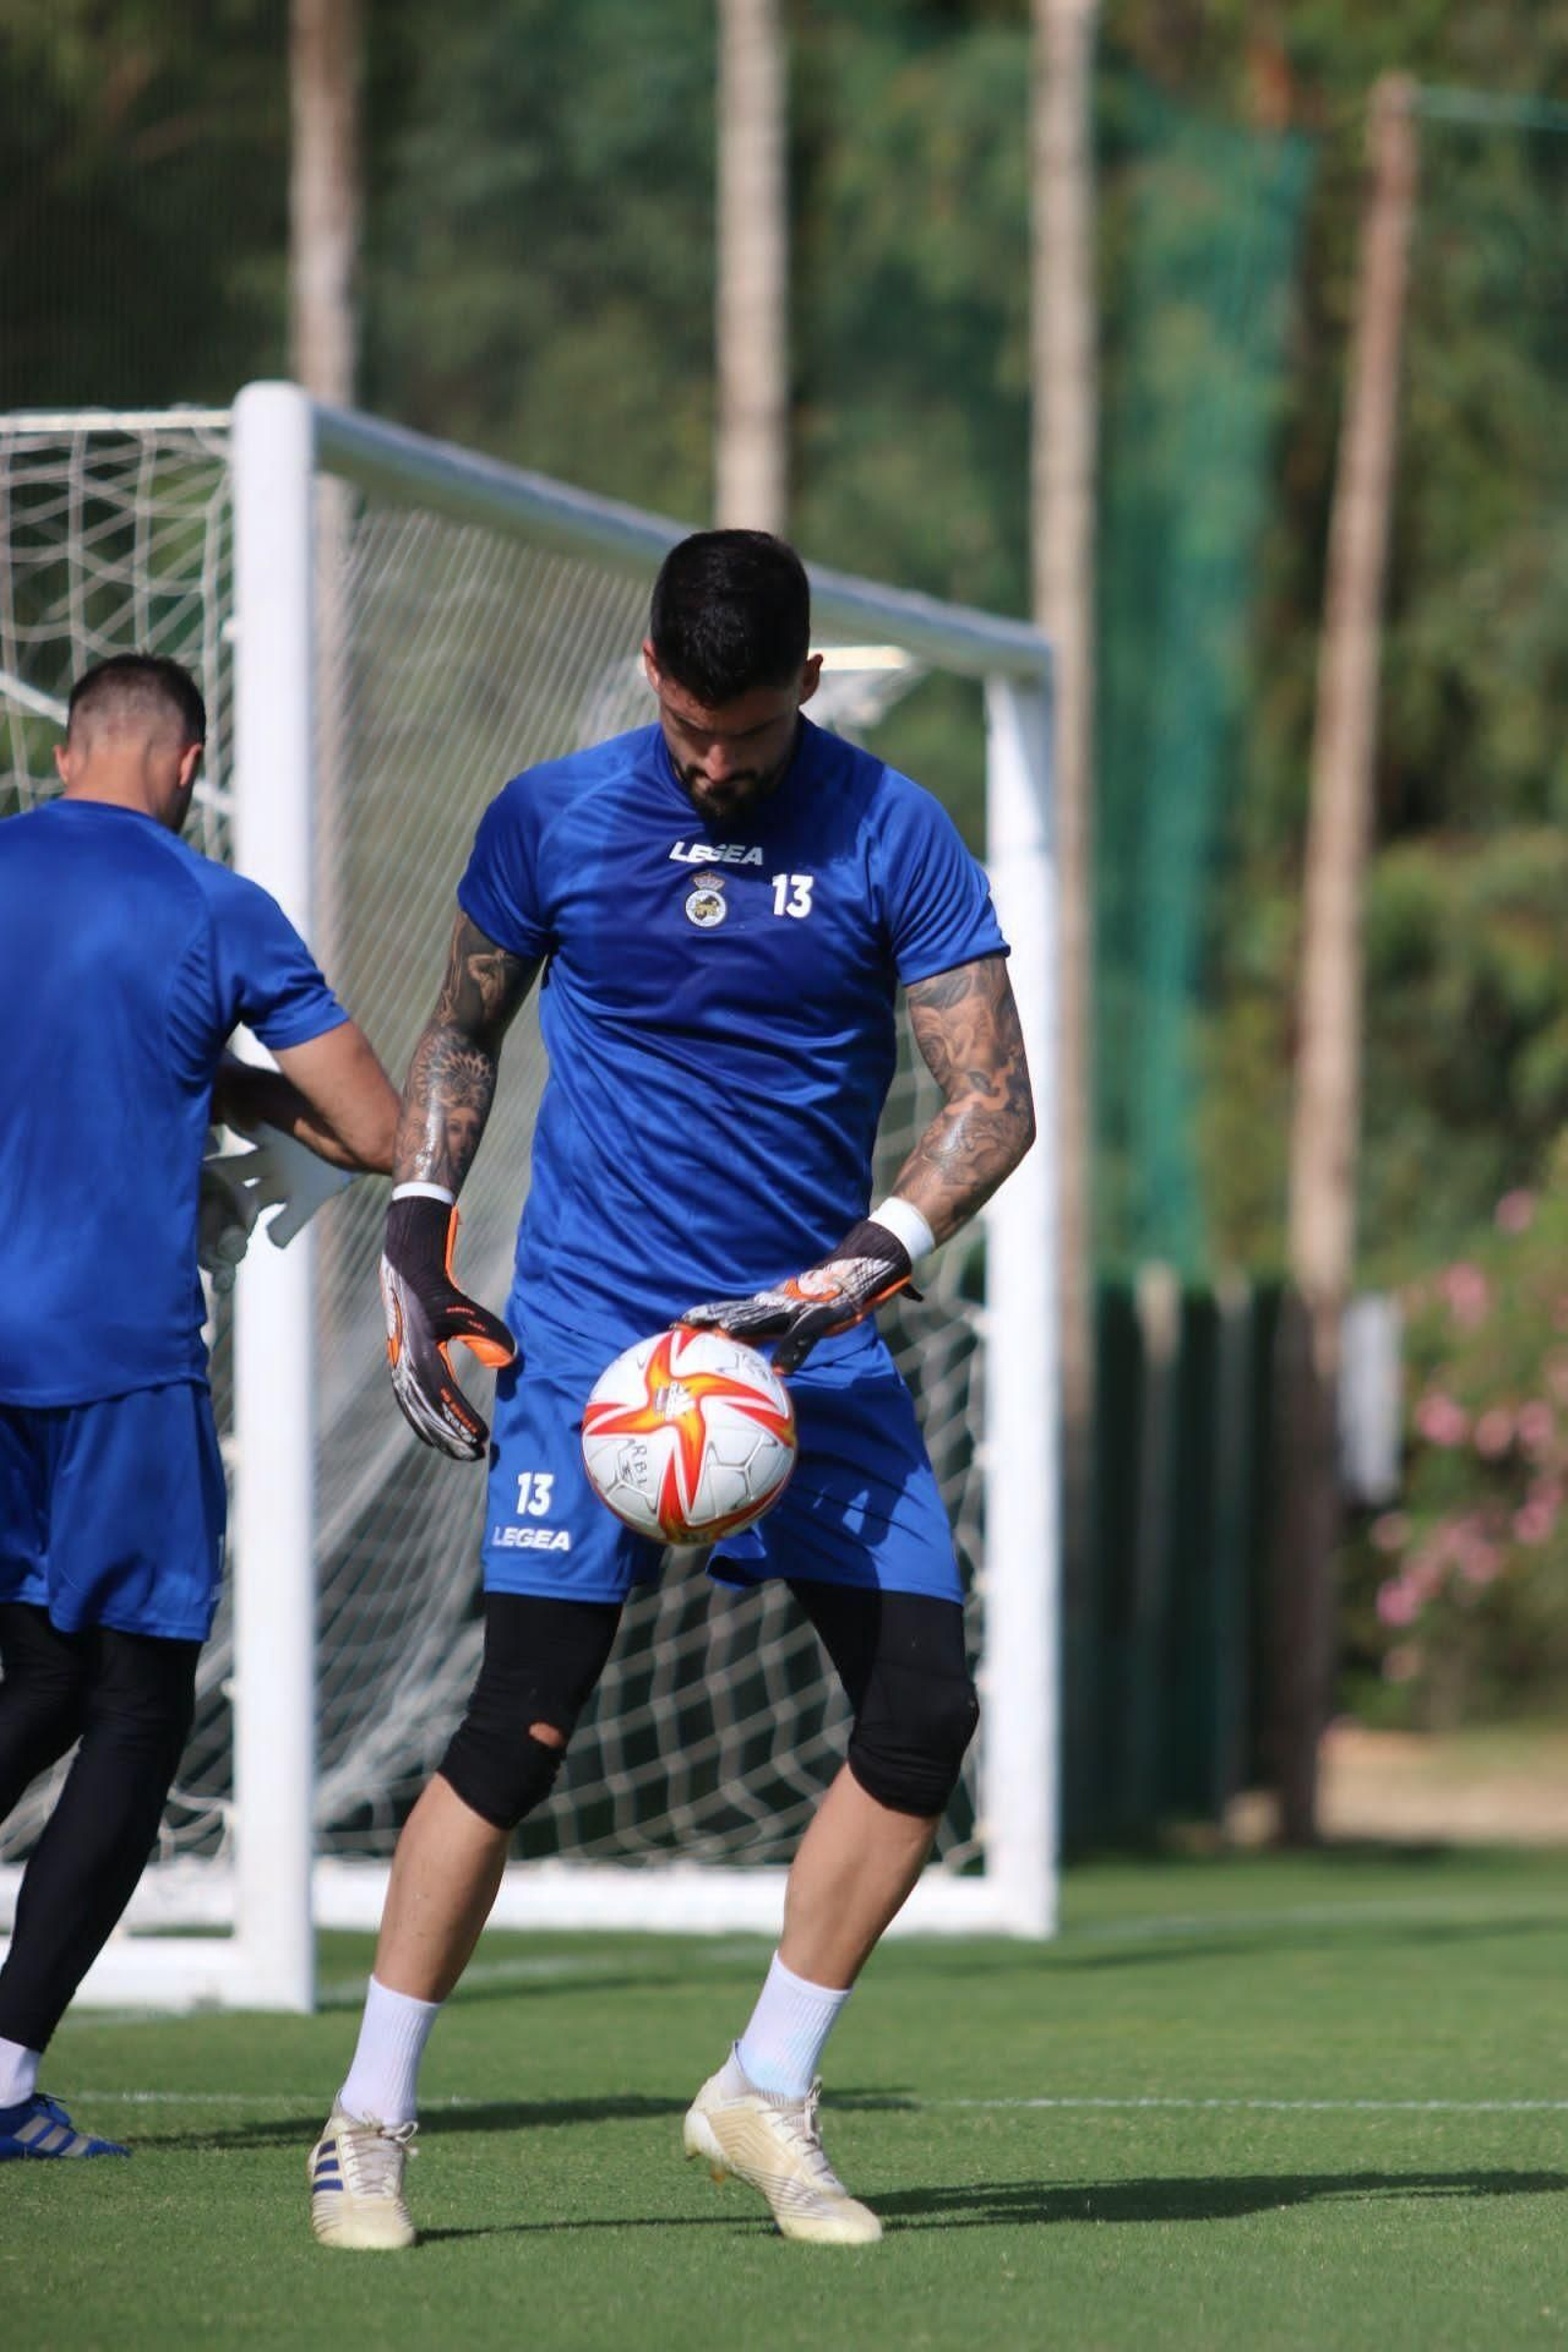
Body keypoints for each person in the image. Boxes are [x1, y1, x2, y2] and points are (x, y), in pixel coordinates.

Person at [309, 530, 1035, 2249]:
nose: (717, 767)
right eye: (692, 732)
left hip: (810, 1350)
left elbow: (991, 1100)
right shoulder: (552, 817)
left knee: (925, 1715)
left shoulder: (891, 830)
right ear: (653, 673)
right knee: (518, 1729)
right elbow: (467, 1027)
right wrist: (415, 1230)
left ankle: (762, 2092)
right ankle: (365, 2124)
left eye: (751, 738)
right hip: (595, 1359)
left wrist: (871, 1252)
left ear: (807, 686)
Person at [0, 654, 399, 2160]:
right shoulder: (211, 904)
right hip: (114, 1359)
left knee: (33, 1679)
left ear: (62, 753)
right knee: (136, 1701)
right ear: (187, 763)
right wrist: (224, 1084)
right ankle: (4, 2081)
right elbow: (369, 1128)